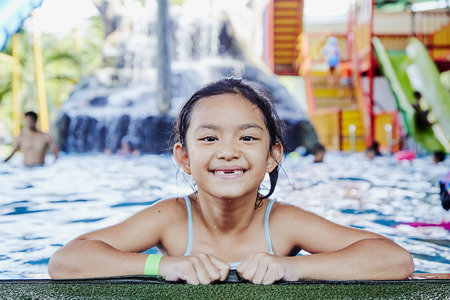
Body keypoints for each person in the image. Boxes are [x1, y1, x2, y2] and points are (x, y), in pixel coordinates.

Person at [48, 77, 413, 285]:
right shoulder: (171, 219)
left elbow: (394, 260)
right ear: (184, 158)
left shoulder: (282, 222)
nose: (228, 152)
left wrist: (293, 267)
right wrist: (162, 265)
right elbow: (66, 262)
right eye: (209, 138)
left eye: (248, 137)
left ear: (274, 155)